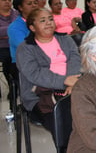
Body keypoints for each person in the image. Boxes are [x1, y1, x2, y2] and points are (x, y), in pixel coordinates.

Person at [16, 8, 81, 139]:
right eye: (42, 20)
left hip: (73, 85)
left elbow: (75, 61)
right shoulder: (25, 48)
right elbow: (35, 74)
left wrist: (72, 83)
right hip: (40, 94)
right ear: (32, 27)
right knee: (65, 120)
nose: (48, 23)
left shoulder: (66, 40)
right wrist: (64, 81)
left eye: (50, 19)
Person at [8, 0, 37, 82]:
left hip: (41, 60)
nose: (34, 6)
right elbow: (25, 47)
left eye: (35, 3)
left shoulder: (40, 22)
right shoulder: (15, 27)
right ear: (20, 8)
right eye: (29, 4)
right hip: (22, 63)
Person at [0, 0, 19, 103]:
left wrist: (6, 31)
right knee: (8, 60)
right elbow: (14, 29)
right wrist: (12, 30)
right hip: (2, 47)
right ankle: (13, 87)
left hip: (16, 45)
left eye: (9, 0)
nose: (7, 2)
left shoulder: (16, 14)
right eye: (4, 0)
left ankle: (15, 87)